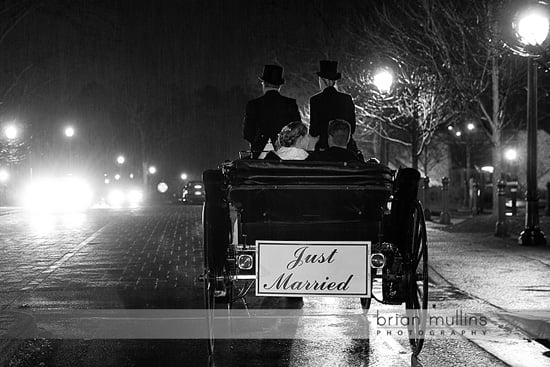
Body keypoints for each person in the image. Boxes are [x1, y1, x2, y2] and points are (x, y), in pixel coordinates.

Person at [243, 64, 301, 158]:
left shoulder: (253, 105)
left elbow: (247, 133)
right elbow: (297, 129)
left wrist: (258, 139)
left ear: (264, 84)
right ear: (279, 86)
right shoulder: (290, 104)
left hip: (259, 153)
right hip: (284, 154)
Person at [309, 60, 360, 157]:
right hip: (346, 148)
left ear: (323, 80)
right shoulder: (346, 99)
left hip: (324, 149)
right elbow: (352, 128)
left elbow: (313, 131)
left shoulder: (315, 100)